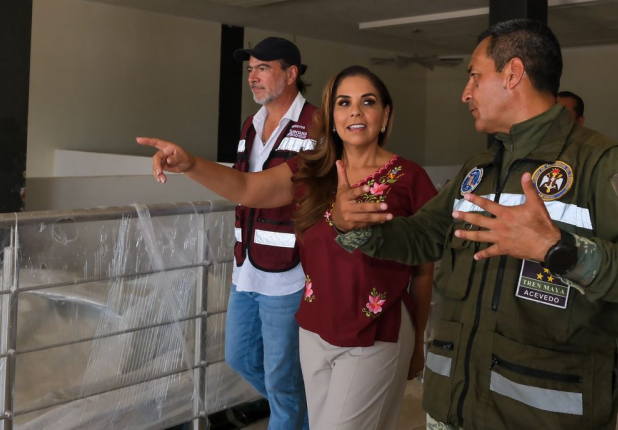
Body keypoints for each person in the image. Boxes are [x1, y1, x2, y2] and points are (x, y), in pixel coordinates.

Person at [332, 19, 618, 430]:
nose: (466, 93)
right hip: (453, 409)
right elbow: (424, 236)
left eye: (475, 77)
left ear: (513, 74)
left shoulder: (600, 163)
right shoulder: (479, 168)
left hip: (541, 416)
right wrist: (351, 225)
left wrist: (557, 249)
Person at [138, 65, 437, 430]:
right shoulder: (310, 172)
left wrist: (419, 339)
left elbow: (424, 268)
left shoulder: (409, 178)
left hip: (376, 329)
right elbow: (247, 189)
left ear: (385, 114)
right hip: (313, 329)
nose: (355, 111)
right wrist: (191, 165)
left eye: (368, 102)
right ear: (332, 115)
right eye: (344, 103)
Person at [181, 37, 315, 429]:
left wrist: (191, 164)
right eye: (250, 70)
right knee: (240, 358)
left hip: (290, 273)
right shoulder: (251, 125)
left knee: (281, 380)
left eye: (263, 68)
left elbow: (255, 190)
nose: (253, 78)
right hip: (248, 268)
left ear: (291, 74)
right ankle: (306, 412)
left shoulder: (317, 125)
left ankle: (296, 411)